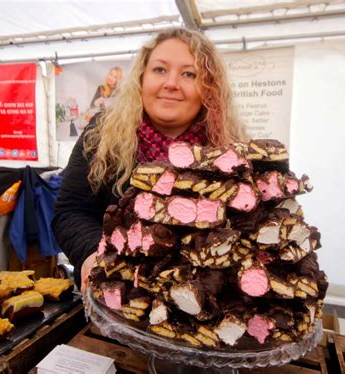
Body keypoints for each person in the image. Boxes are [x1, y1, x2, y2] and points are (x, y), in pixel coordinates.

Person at [52, 27, 249, 291]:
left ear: (208, 88)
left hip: (201, 307)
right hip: (115, 294)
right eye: (160, 70)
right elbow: (70, 212)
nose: (171, 83)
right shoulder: (102, 134)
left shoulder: (229, 153)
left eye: (189, 74)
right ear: (141, 78)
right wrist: (91, 254)